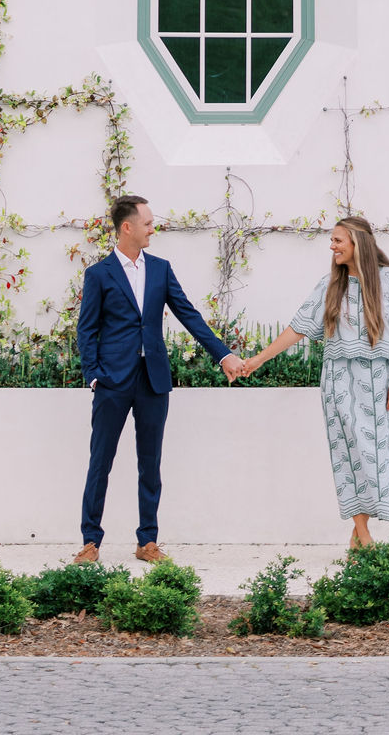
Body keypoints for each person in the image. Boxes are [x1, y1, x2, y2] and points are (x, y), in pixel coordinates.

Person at [74, 194, 246, 563]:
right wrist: (94, 377)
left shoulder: (161, 268)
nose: (154, 228)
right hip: (112, 382)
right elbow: (86, 330)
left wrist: (224, 354)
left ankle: (147, 541)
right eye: (148, 223)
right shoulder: (99, 274)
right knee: (100, 461)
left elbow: (189, 315)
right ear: (127, 227)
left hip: (153, 381)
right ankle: (91, 541)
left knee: (149, 463)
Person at [237, 216, 389, 549]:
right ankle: (364, 537)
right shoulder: (329, 285)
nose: (332, 246)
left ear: (357, 243)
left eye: (338, 240)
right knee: (348, 454)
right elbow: (297, 328)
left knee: (376, 455)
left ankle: (357, 536)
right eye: (333, 240)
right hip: (338, 380)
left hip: (380, 380)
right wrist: (258, 359)